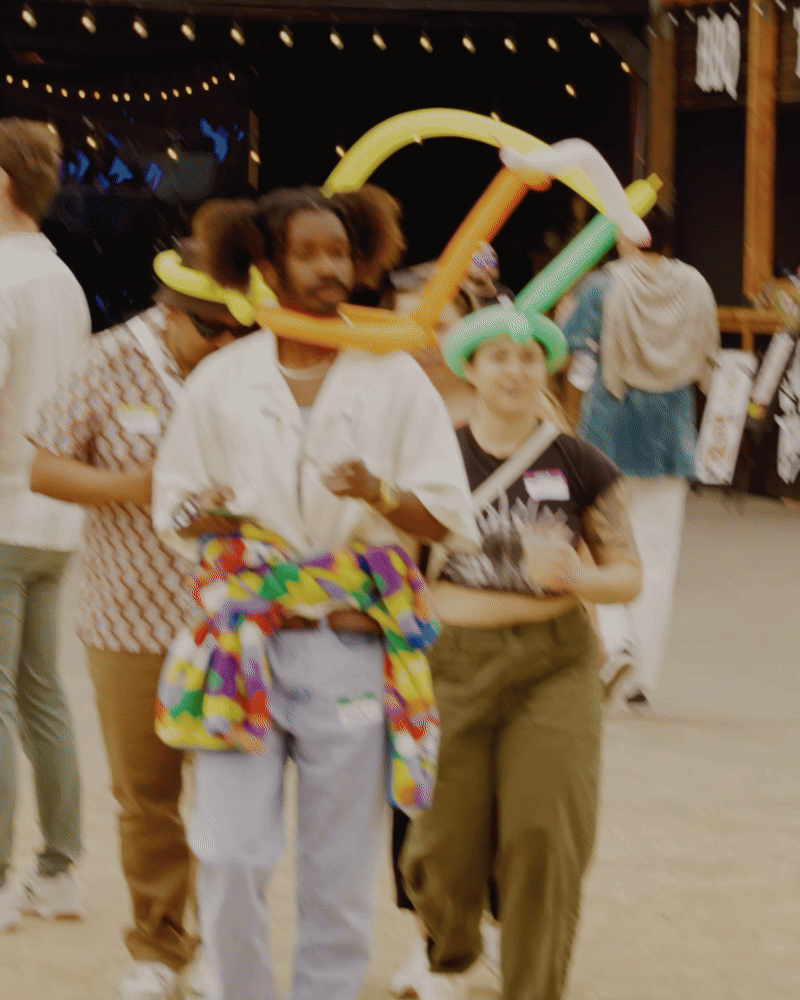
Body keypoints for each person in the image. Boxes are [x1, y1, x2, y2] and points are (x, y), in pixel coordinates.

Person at [151, 187, 479, 1000]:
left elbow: (446, 514)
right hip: (242, 649)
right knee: (229, 854)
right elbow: (175, 509)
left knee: (338, 873)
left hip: (350, 645)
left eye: (340, 252)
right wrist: (208, 513)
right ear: (264, 264)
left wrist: (380, 494)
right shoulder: (223, 380)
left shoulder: (395, 379)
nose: (330, 268)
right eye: (309, 253)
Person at [27, 239, 259, 1000]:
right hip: (127, 620)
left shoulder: (252, 368)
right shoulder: (108, 360)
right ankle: (160, 949)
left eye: (239, 329)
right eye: (210, 328)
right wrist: (141, 486)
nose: (225, 343)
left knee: (234, 797)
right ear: (169, 312)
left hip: (236, 617)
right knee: (147, 797)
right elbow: (45, 466)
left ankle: (225, 947)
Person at [399, 313, 641, 1000]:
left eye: (530, 357)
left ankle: (534, 986)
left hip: (553, 665)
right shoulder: (432, 461)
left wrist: (579, 576)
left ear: (547, 368)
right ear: (471, 370)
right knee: (442, 845)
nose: (515, 370)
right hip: (452, 663)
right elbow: (399, 574)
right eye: (498, 356)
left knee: (546, 833)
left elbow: (627, 574)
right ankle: (451, 948)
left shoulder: (581, 463)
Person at [559, 203, 720, 706]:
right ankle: (642, 680)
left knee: (598, 545)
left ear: (627, 234)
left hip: (608, 434)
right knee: (658, 556)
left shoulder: (604, 285)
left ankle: (616, 639)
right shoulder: (696, 285)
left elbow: (567, 345)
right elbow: (708, 354)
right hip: (671, 438)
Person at [0, 118, 91, 933]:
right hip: (54, 517)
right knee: (41, 693)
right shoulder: (59, 277)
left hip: (3, 509)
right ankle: (59, 870)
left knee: (7, 699)